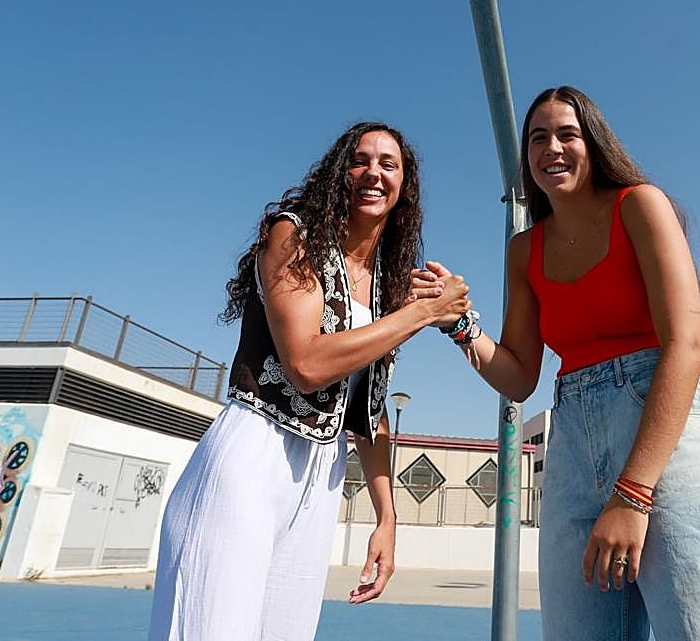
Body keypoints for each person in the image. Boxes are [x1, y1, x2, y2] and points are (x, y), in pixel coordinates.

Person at [419, 87, 700, 640]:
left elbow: (686, 345)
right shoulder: (524, 251)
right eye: (538, 138)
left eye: (567, 133)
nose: (552, 147)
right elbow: (518, 376)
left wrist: (633, 493)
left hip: (666, 437)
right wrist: (458, 323)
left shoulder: (640, 204)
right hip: (572, 448)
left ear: (595, 143)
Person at [148, 122, 470, 641]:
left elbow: (370, 411)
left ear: (404, 187)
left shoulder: (389, 284)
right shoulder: (292, 235)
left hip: (322, 479)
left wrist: (386, 517)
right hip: (252, 456)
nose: (373, 173)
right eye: (360, 160)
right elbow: (306, 363)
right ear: (339, 172)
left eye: (389, 164)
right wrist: (422, 314)